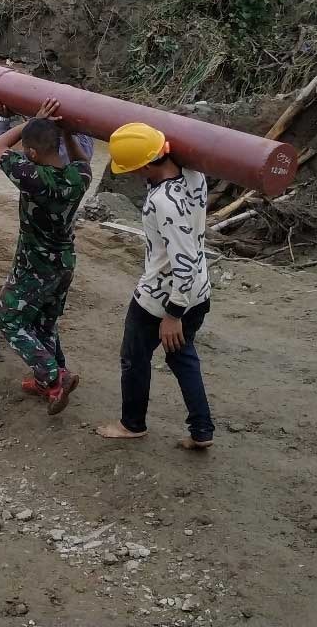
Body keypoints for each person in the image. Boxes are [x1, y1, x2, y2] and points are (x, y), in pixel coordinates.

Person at [96, 123, 214, 450]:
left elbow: (183, 259)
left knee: (133, 358)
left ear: (147, 164)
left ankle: (131, 424)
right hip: (199, 292)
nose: (134, 175)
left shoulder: (163, 201)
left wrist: (173, 313)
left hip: (161, 299)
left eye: (134, 168)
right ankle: (201, 430)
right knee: (181, 356)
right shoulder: (194, 176)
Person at [0, 101, 91, 414]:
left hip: (35, 265)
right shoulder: (78, 178)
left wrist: (33, 120)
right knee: (44, 324)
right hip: (63, 264)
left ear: (31, 153)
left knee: (6, 318)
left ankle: (54, 375)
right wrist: (68, 134)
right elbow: (82, 161)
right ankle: (49, 382)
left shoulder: (33, 177)